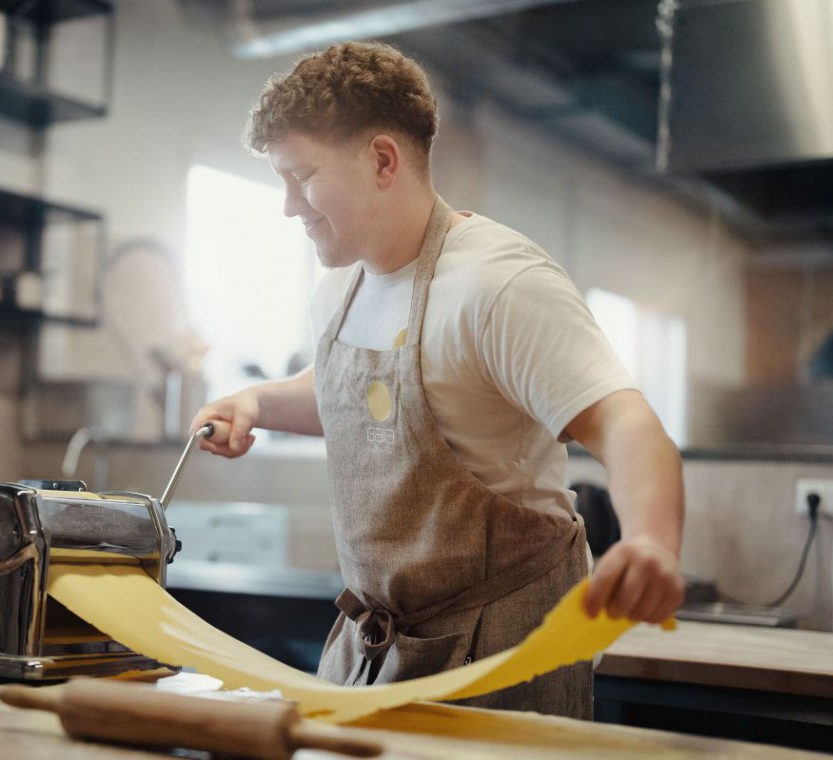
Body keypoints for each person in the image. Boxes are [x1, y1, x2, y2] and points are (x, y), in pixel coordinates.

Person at [190, 41, 684, 719]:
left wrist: (651, 540)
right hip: (372, 651)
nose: (287, 205)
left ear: (383, 160)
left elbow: (625, 421)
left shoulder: (498, 284)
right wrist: (254, 401)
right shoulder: (339, 290)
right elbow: (356, 396)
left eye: (301, 176)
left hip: (503, 655)